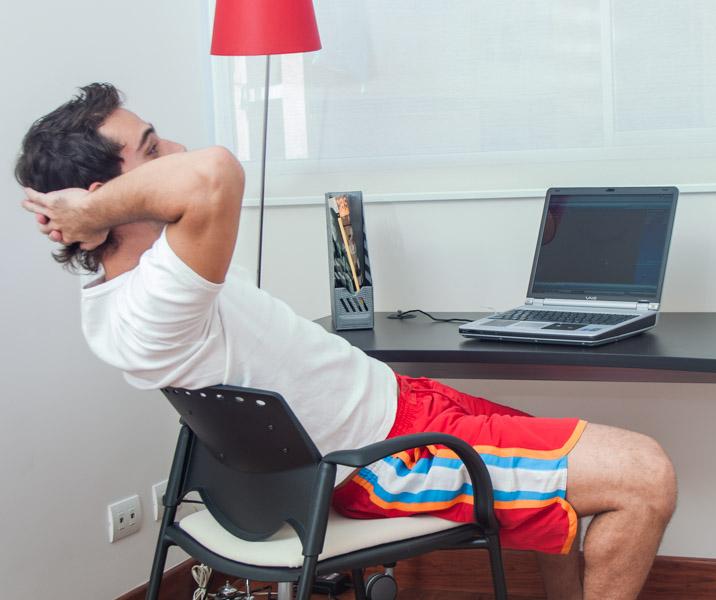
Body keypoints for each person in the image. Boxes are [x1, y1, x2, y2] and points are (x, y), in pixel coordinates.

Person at [16, 83, 676, 600]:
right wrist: (91, 213)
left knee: (567, 463)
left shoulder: (153, 274)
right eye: (154, 148)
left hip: (404, 409)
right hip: (385, 461)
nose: (178, 150)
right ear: (100, 198)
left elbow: (199, 182)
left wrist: (99, 209)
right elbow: (215, 174)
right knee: (644, 476)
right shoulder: (150, 307)